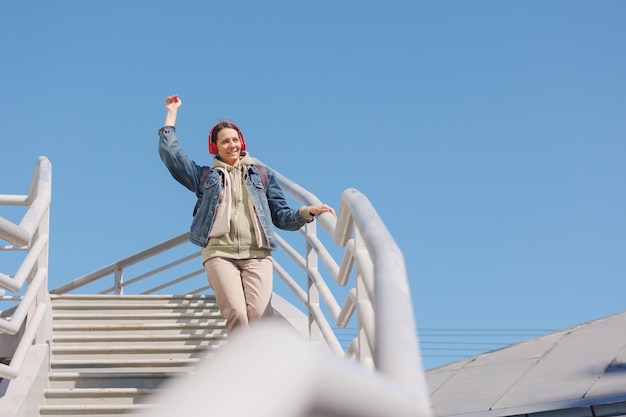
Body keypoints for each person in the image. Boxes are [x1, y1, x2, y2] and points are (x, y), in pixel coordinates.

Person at [158, 94, 336, 333]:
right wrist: (171, 114)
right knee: (237, 313)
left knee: (260, 317)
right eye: (225, 142)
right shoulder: (206, 177)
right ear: (215, 147)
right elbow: (173, 157)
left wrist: (306, 212)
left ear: (242, 142)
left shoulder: (262, 175)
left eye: (235, 140)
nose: (232, 145)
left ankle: (259, 366)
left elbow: (281, 216)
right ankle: (241, 367)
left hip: (257, 254)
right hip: (219, 253)